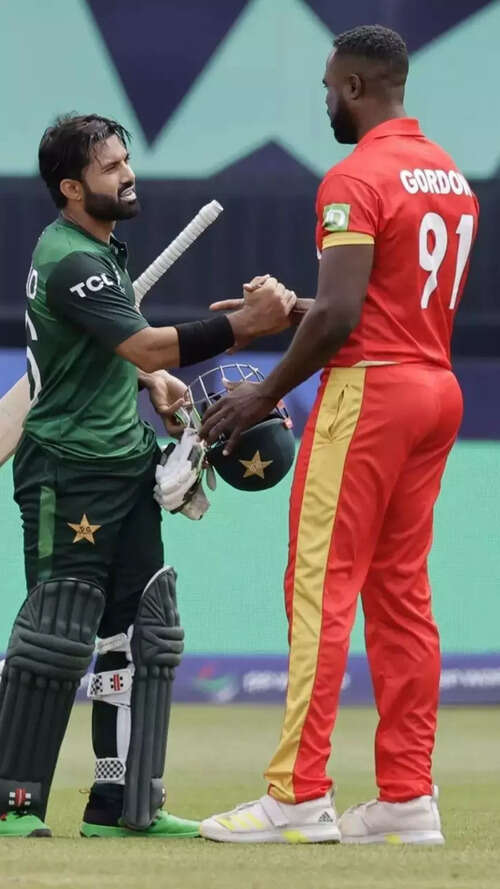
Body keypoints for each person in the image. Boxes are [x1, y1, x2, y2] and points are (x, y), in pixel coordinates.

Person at [199, 25, 479, 845]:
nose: (325, 100)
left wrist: (263, 392)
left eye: (329, 87)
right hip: (435, 388)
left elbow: (346, 317)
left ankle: (298, 794)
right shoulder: (450, 175)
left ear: (356, 86)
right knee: (403, 595)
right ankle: (407, 797)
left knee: (320, 588)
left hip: (371, 396)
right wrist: (300, 309)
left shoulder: (354, 177)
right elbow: (381, 304)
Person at [0, 113, 295, 839]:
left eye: (126, 160)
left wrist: (151, 382)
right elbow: (144, 341)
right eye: (110, 167)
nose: (128, 174)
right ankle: (13, 803)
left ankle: (121, 804)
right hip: (66, 471)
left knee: (140, 638)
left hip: (125, 462)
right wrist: (245, 326)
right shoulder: (72, 260)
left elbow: (106, 353)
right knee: (57, 635)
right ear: (71, 188)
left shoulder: (101, 250)